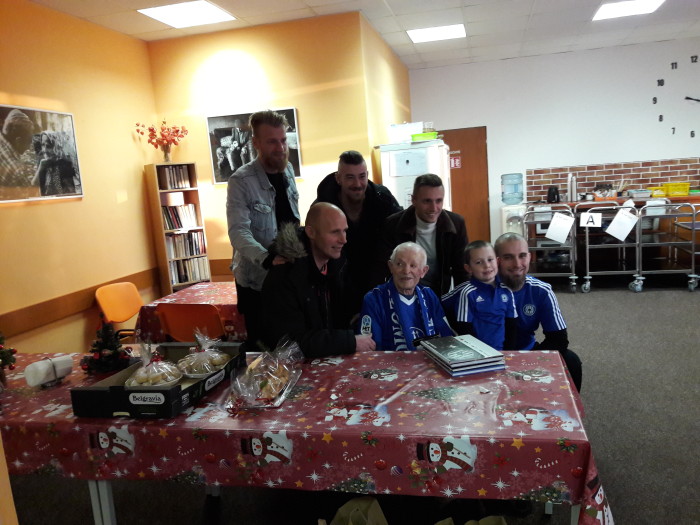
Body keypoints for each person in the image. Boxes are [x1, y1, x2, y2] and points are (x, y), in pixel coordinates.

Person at [261, 202, 376, 358]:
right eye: (335, 232)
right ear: (311, 233)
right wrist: (349, 341)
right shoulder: (285, 276)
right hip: (293, 366)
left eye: (345, 231)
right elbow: (288, 343)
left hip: (331, 359)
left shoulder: (338, 263)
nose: (344, 240)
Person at [226, 110, 300, 351]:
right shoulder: (241, 181)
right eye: (272, 142)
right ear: (256, 143)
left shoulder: (288, 170)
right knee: (262, 352)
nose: (280, 148)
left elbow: (291, 219)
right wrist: (267, 259)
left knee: (291, 347)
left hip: (288, 277)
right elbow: (238, 232)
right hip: (256, 282)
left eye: (283, 140)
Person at [315, 150, 402, 312]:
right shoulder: (323, 207)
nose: (357, 184)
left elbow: (402, 231)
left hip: (379, 283)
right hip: (337, 290)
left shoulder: (383, 200)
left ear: (367, 175)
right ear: (338, 178)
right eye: (350, 177)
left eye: (362, 176)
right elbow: (310, 241)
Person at [494, 232, 583, 391]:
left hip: (527, 351)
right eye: (508, 257)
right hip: (491, 357)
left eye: (522, 256)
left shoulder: (542, 291)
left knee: (571, 361)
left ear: (529, 257)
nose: (517, 264)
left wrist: (527, 361)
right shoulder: (482, 290)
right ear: (497, 261)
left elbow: (559, 339)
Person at [380, 174, 468, 297]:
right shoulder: (393, 225)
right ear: (413, 200)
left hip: (439, 295)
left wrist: (462, 302)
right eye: (427, 201)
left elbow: (462, 271)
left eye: (439, 201)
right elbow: (384, 268)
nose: (434, 208)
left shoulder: (456, 224)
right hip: (402, 295)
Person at [359, 242, 453, 351]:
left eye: (413, 265)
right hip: (391, 360)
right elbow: (370, 348)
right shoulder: (375, 299)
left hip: (429, 359)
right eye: (399, 264)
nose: (406, 271)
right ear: (391, 267)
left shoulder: (429, 295)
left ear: (423, 271)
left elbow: (446, 338)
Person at [441, 240, 517, 350]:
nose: (487, 265)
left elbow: (512, 325)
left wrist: (509, 352)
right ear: (468, 268)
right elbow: (464, 329)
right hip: (478, 353)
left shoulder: (507, 291)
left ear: (497, 261)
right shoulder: (468, 293)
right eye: (478, 262)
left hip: (502, 351)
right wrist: (477, 352)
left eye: (490, 260)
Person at [0, 109, 35, 200]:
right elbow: (31, 198)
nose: (29, 148)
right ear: (18, 141)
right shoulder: (16, 170)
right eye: (28, 142)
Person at [31, 131, 77, 196]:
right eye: (43, 145)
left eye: (48, 146)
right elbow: (34, 185)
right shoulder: (43, 163)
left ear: (57, 146)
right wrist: (41, 167)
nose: (44, 150)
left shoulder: (64, 165)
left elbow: (71, 192)